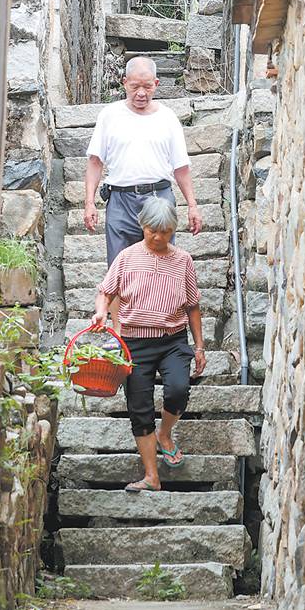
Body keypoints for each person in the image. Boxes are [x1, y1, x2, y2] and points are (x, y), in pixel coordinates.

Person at [92, 196, 206, 492]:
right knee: (139, 408)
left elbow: (193, 306)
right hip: (134, 343)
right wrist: (102, 312)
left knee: (179, 389)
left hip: (172, 340)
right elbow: (106, 292)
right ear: (142, 226)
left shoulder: (183, 261)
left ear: (173, 230)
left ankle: (165, 435)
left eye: (166, 231)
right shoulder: (127, 257)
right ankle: (152, 476)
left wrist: (199, 346)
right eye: (153, 230)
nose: (159, 237)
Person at [84, 56, 203, 328]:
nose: (141, 93)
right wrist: (89, 202)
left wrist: (193, 205)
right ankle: (119, 331)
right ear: (124, 82)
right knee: (118, 265)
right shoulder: (110, 115)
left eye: (147, 87)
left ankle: (163, 325)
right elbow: (95, 161)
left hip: (159, 197)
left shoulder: (168, 118)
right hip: (120, 198)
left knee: (162, 261)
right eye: (135, 86)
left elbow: (181, 167)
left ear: (157, 84)